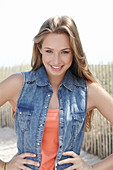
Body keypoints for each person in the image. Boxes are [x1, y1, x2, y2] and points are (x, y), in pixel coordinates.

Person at [0, 15, 113, 170]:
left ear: (74, 51)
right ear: (39, 48)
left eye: (64, 52)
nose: (56, 60)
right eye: (49, 51)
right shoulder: (18, 84)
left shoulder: (88, 91)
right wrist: (4, 166)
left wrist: (92, 168)